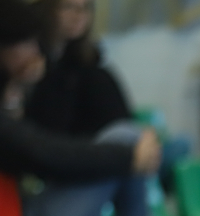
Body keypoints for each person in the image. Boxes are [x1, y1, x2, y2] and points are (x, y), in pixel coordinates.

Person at [0, 0, 165, 216]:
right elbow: (43, 153)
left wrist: (15, 89)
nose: (36, 52)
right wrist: (128, 158)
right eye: (27, 43)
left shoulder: (89, 71)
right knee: (127, 138)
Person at [25, 0, 132, 138]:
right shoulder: (28, 58)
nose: (78, 15)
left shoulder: (87, 67)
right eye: (68, 7)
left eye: (84, 8)